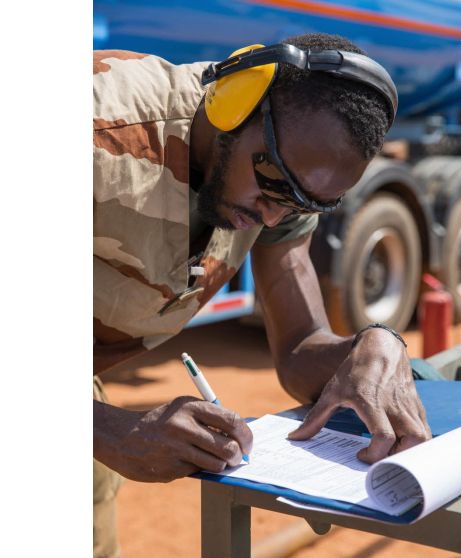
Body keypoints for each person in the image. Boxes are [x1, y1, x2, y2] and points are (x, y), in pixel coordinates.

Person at [93, 33, 431, 556]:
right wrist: (106, 429)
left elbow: (299, 350)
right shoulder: (96, 129)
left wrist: (364, 350)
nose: (274, 216)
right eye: (272, 183)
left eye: (303, 205)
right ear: (235, 100)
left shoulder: (282, 174)